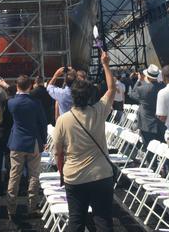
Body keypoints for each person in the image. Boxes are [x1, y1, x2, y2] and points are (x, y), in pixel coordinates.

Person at [53, 51, 116, 232]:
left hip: (74, 176)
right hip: (101, 175)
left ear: (72, 96)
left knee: (76, 220)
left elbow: (58, 152)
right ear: (90, 96)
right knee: (104, 220)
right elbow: (112, 89)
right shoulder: (98, 111)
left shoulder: (63, 120)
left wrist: (61, 173)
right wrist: (105, 64)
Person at [2, 75, 48, 220]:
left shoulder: (11, 103)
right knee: (34, 175)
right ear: (31, 86)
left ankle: (11, 209)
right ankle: (32, 207)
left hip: (16, 142)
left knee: (14, 176)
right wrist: (44, 140)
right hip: (33, 141)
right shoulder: (36, 103)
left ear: (17, 86)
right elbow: (43, 123)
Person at [127, 65, 166, 146]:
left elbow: (131, 94)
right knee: (162, 148)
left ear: (147, 76)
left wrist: (138, 80)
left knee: (149, 148)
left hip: (146, 124)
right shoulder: (163, 87)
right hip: (161, 123)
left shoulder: (142, 89)